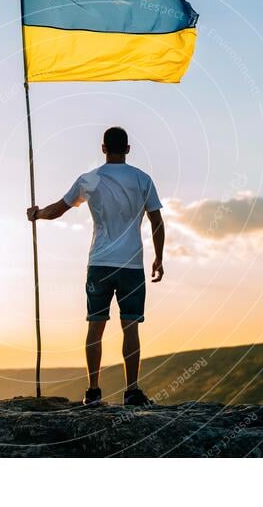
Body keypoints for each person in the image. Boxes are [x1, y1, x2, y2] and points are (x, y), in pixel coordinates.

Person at [26, 126, 165, 406]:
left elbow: (59, 209)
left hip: (99, 263)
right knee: (131, 328)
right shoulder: (143, 179)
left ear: (103, 148)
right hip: (131, 265)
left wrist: (37, 214)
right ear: (127, 149)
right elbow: (156, 221)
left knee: (95, 326)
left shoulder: (89, 180)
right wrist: (159, 257)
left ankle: (92, 391)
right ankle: (132, 391)